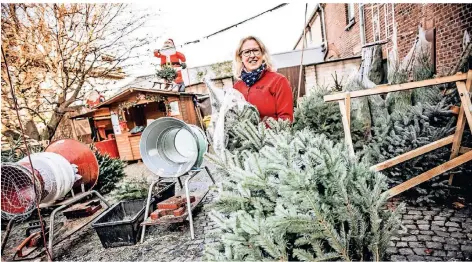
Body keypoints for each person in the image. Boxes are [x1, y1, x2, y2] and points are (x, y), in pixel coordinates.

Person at [233, 36, 293, 122]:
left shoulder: (278, 81)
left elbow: (286, 119)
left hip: (272, 135)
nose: (252, 55)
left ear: (263, 54)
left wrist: (260, 131)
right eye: (247, 52)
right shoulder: (237, 88)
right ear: (240, 57)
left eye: (256, 50)